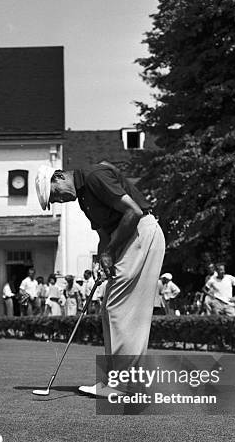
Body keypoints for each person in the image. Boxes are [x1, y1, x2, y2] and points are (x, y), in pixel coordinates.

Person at [35, 161, 165, 397]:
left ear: (59, 178)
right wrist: (102, 260)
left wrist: (109, 253)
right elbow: (104, 235)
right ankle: (114, 382)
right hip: (126, 238)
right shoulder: (84, 198)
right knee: (110, 309)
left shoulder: (94, 176)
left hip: (140, 232)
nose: (59, 202)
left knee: (120, 309)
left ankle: (124, 385)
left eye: (55, 196)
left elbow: (133, 212)